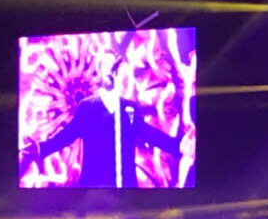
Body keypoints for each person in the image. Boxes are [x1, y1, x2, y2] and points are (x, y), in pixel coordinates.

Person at [19, 52, 185, 188]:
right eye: (106, 65)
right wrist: (41, 149)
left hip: (124, 189)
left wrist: (178, 146)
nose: (110, 69)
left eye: (114, 65)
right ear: (99, 71)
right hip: (93, 187)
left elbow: (146, 133)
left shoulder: (129, 108)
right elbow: (67, 135)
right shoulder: (87, 107)